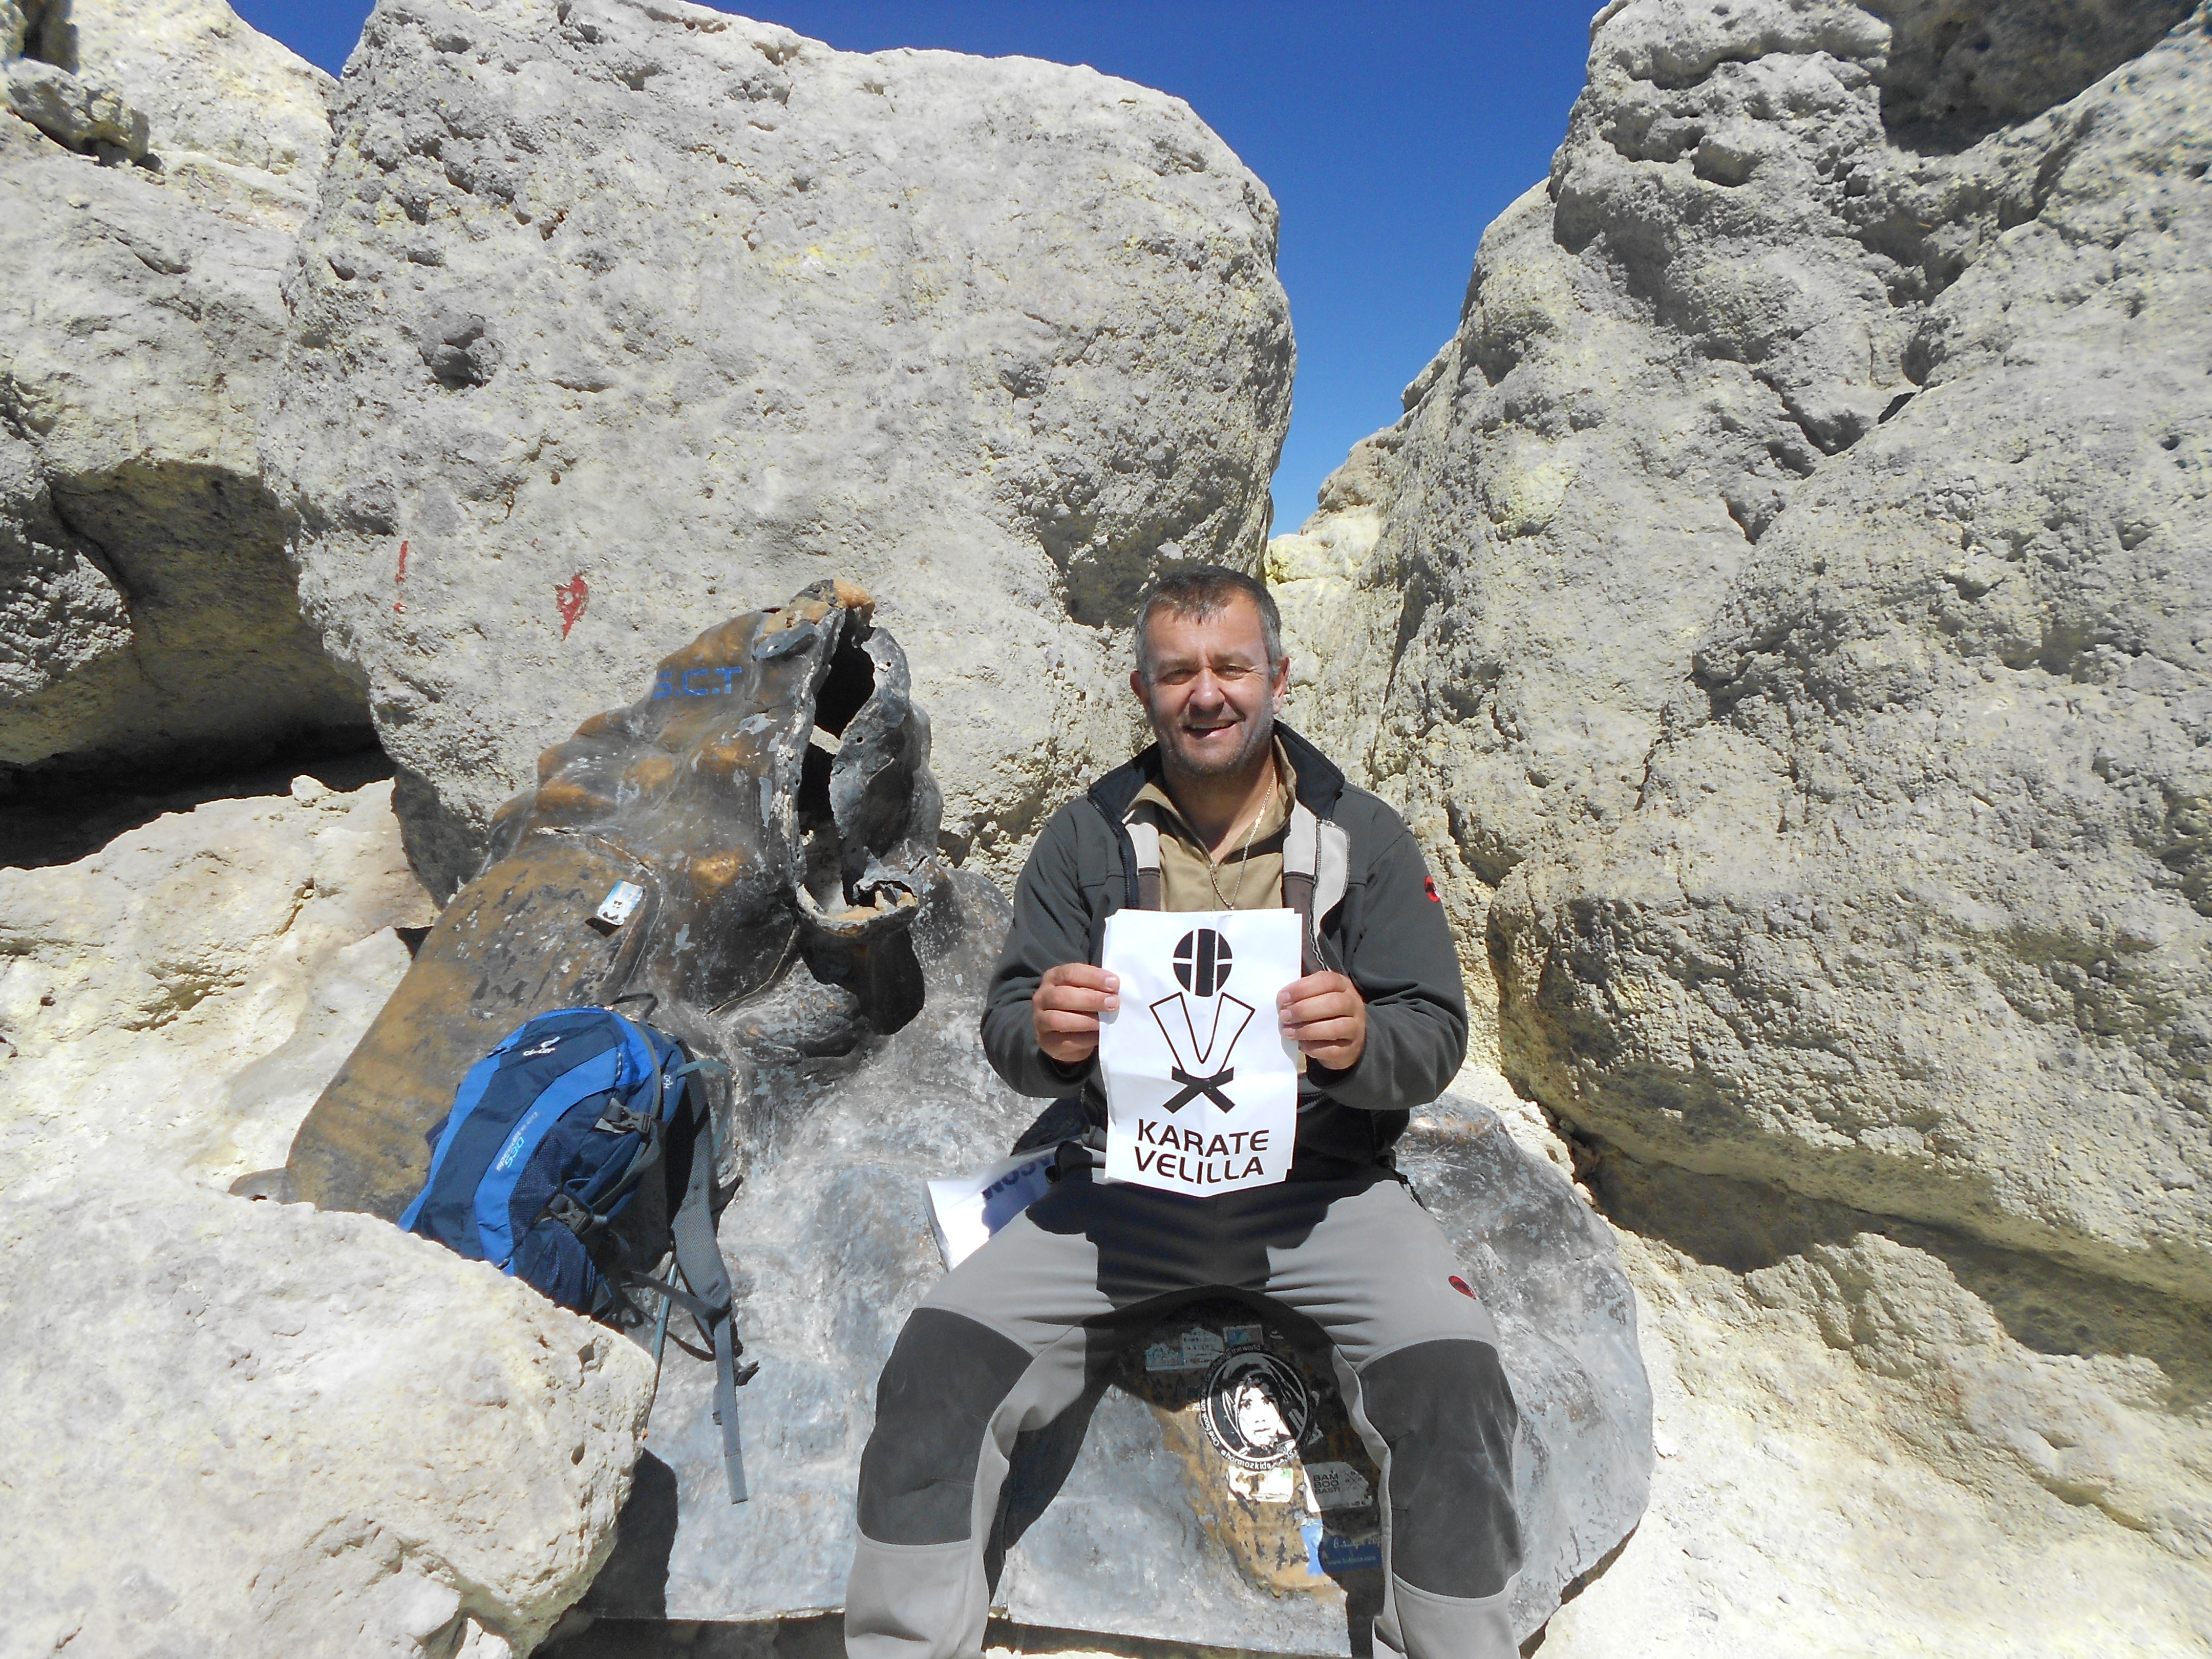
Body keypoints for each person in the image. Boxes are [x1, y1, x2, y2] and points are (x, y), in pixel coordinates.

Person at [845, 566, 1523, 1659]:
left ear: (1278, 678)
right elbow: (1011, 1026)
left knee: (1454, 1379)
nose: (1206, 694)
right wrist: (1047, 1035)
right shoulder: (1085, 838)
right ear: (1143, 689)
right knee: (937, 1364)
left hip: (1326, 1193)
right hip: (1123, 1187)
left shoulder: (1366, 839)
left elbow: (1432, 1034)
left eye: (1231, 667)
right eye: (1177, 673)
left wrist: (1363, 1044)